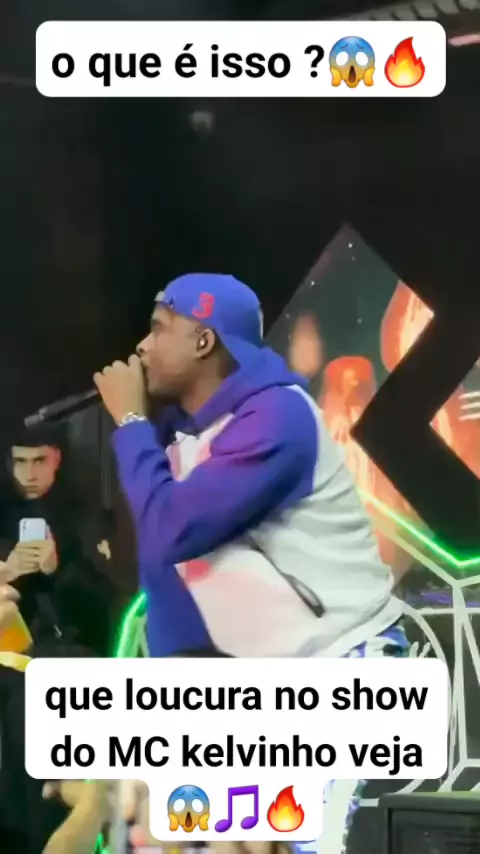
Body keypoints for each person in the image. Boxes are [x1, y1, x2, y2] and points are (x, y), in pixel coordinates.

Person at [94, 273, 407, 852]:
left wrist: (132, 425)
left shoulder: (278, 417)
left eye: (158, 329)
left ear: (203, 341)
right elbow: (169, 576)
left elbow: (172, 530)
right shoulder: (187, 436)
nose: (141, 346)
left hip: (338, 666)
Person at [0, 426, 114, 655]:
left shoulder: (84, 515)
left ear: (57, 459)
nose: (29, 474)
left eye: (40, 460)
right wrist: (7, 571)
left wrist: (56, 569)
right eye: (20, 461)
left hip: (69, 647)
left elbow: (105, 601)